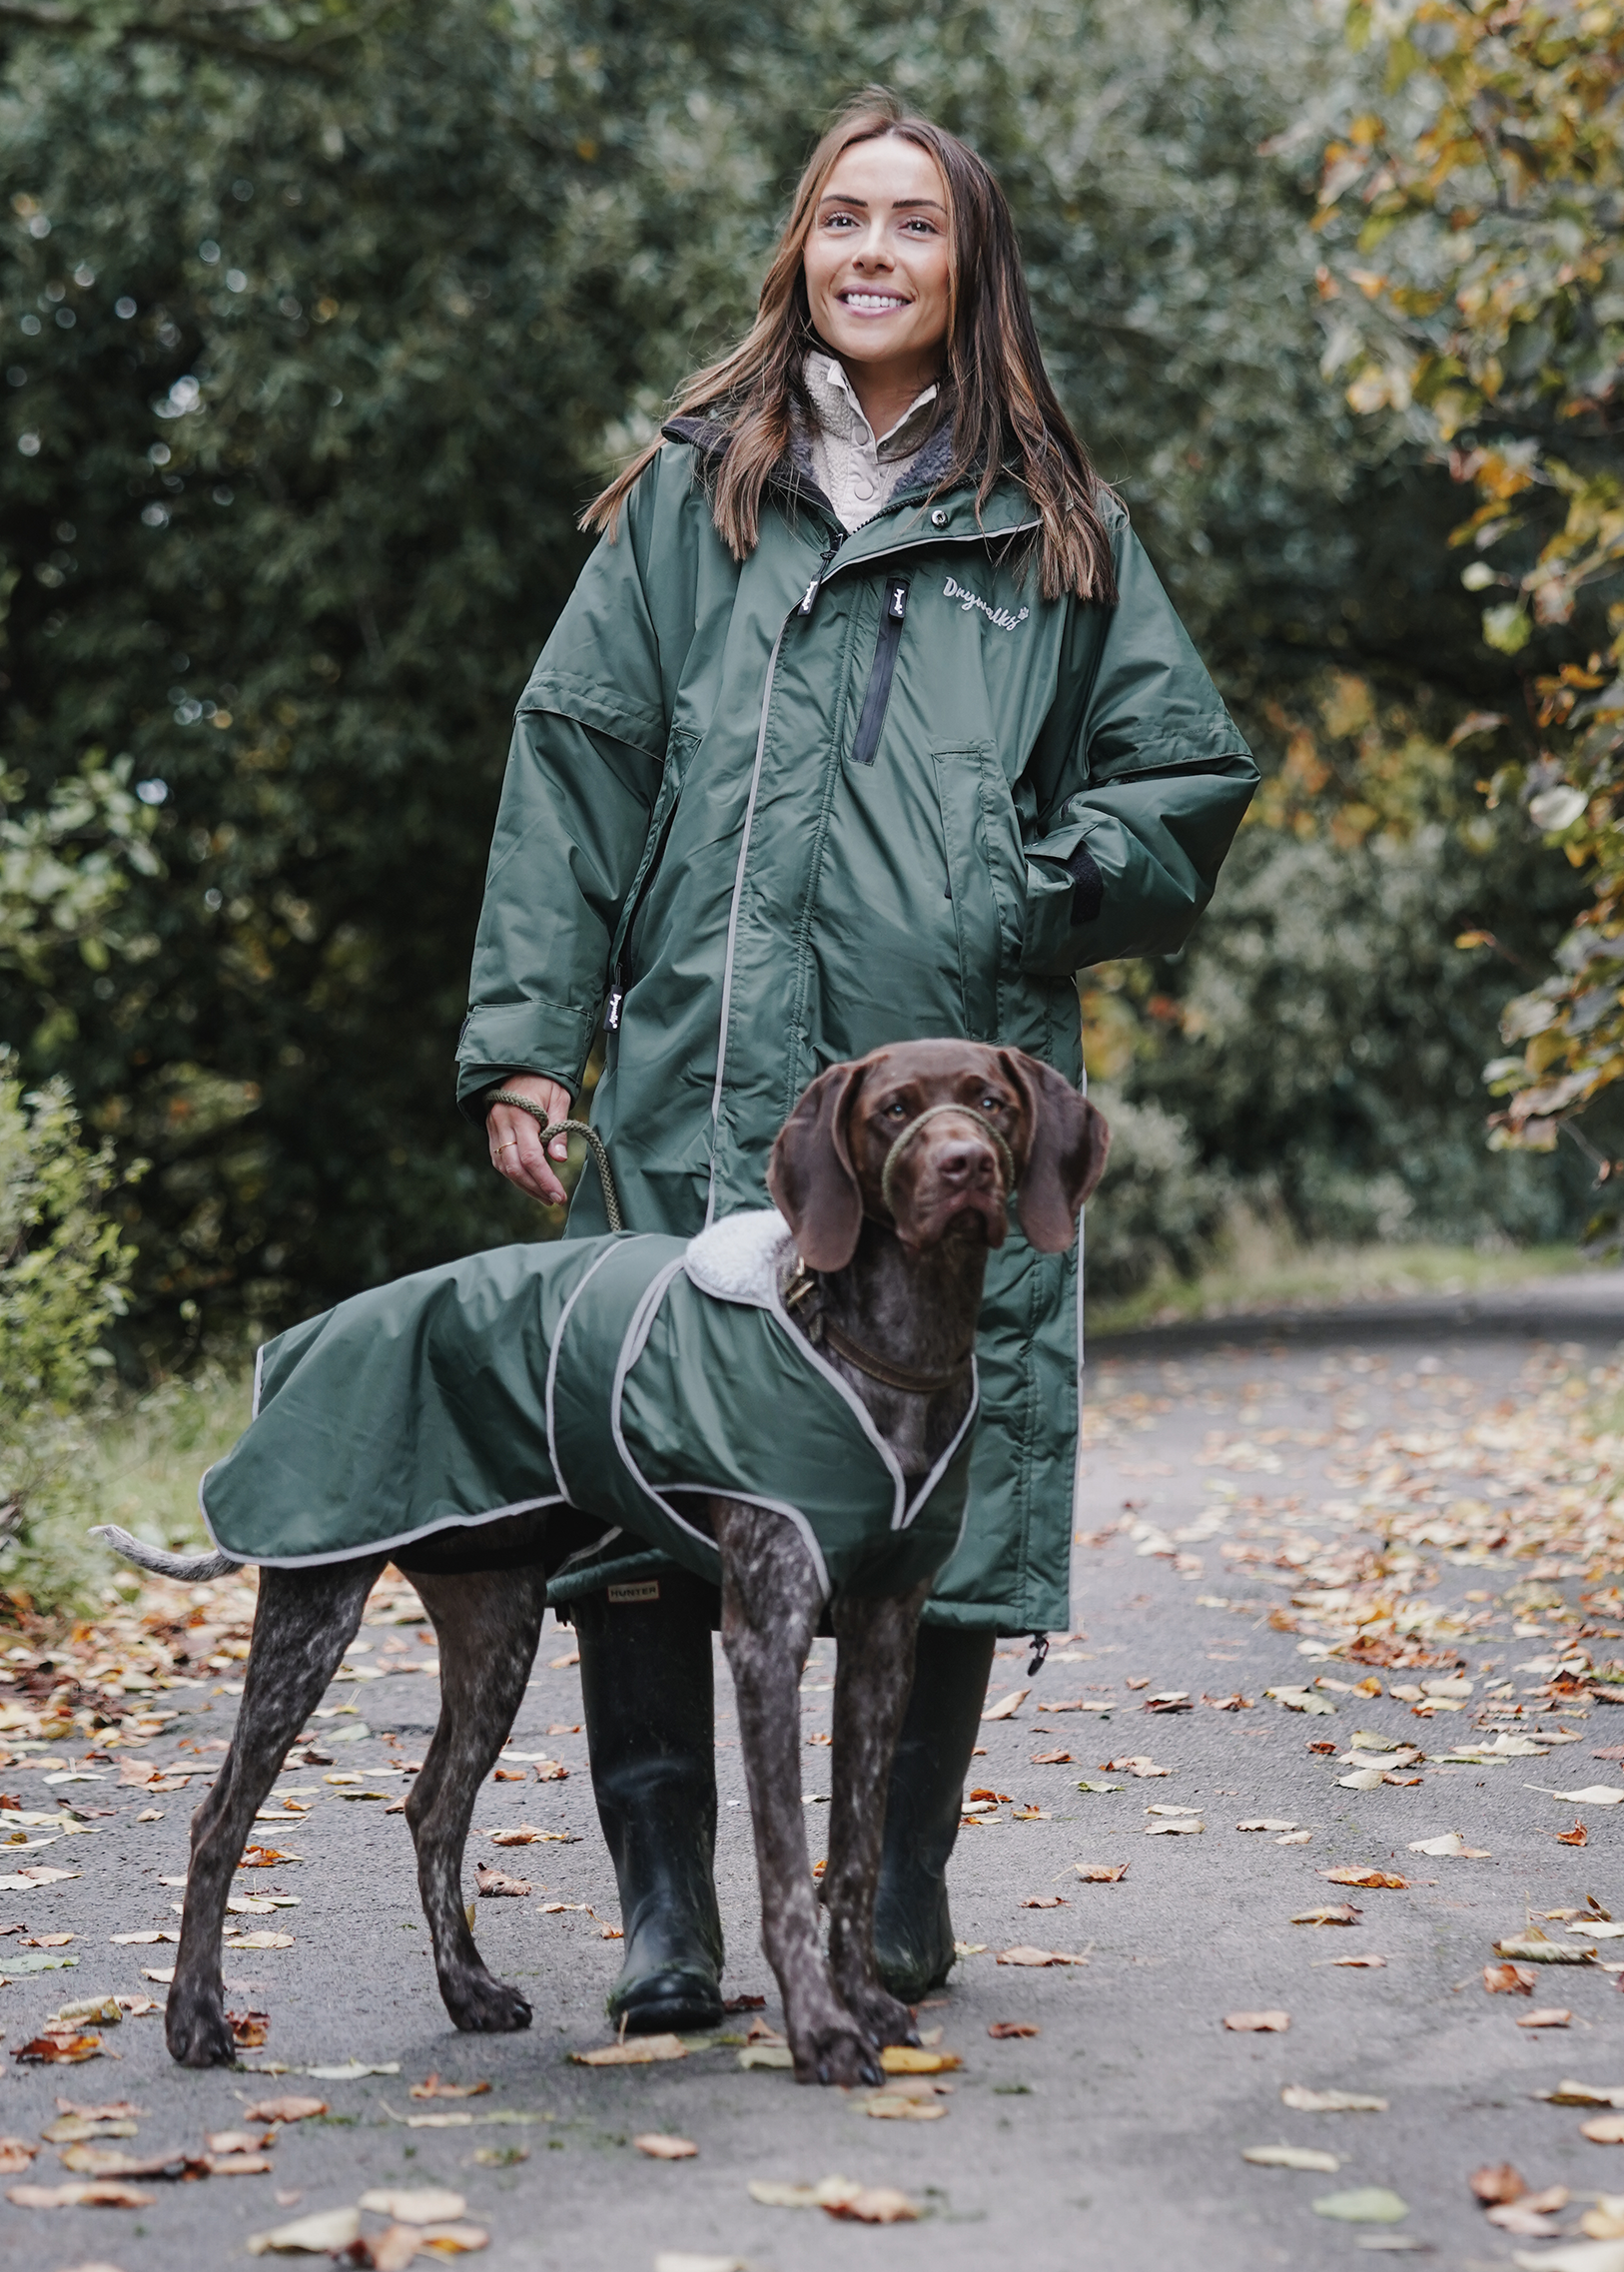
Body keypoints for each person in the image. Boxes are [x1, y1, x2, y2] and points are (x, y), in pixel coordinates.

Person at [456, 90, 1258, 2032]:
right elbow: (573, 765)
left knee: (933, 1491)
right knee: (648, 1481)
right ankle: (669, 1925)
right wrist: (522, 1042)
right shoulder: (689, 495)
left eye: (910, 222)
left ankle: (891, 1890)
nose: (871, 252)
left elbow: (1181, 778)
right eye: (840, 219)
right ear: (799, 252)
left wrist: (1021, 876)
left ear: (965, 264)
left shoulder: (1057, 523)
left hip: (941, 1117)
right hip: (699, 1085)